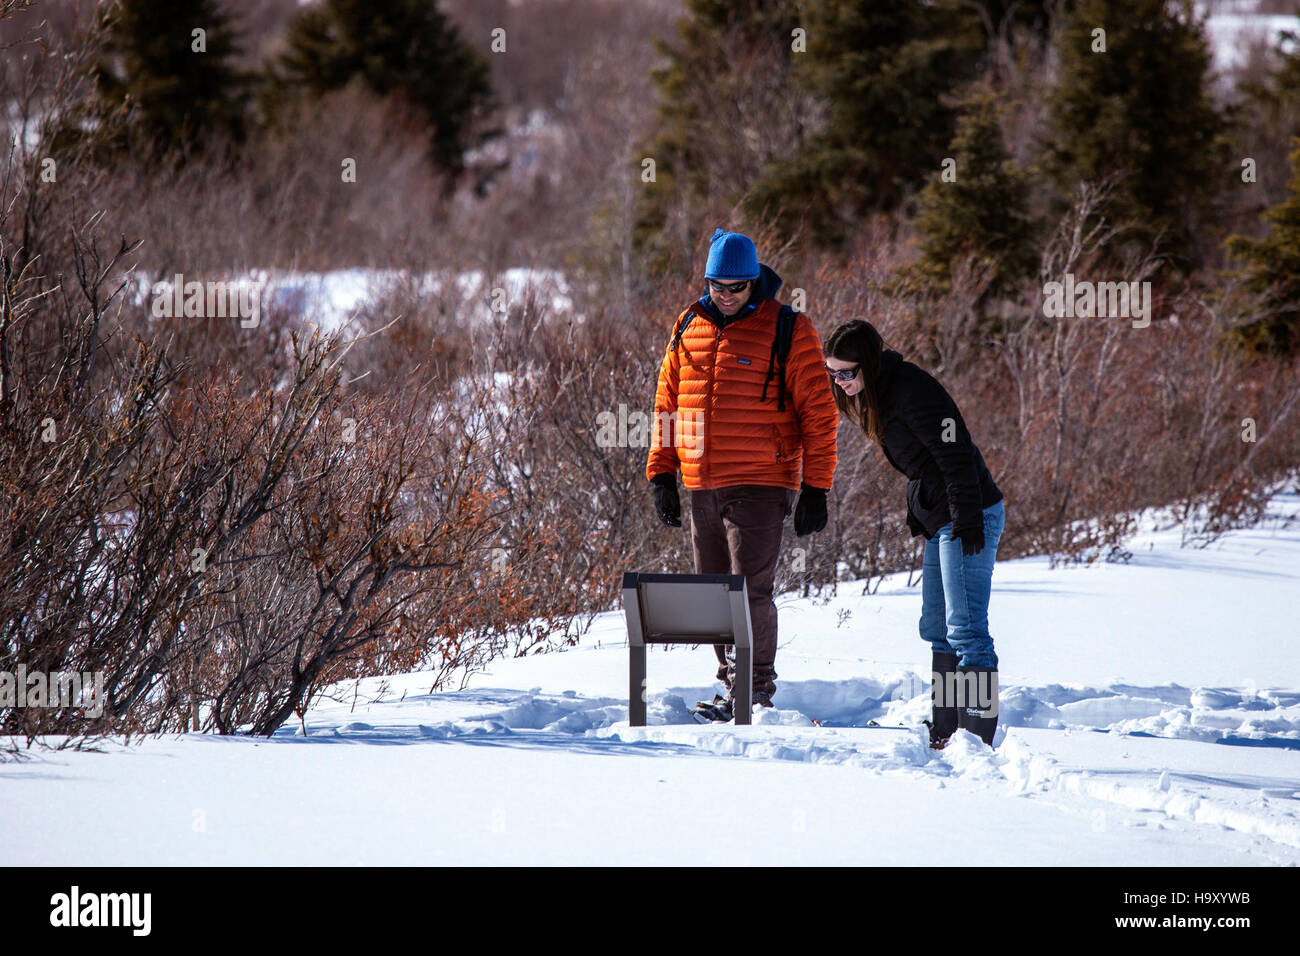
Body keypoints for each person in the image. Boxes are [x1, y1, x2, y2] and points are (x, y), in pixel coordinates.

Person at [646, 229, 838, 716]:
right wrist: (662, 473)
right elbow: (666, 404)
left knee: (748, 591)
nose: (726, 295)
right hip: (701, 483)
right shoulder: (688, 324)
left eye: (737, 286)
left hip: (761, 481)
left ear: (755, 282)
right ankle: (730, 683)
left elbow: (820, 413)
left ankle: (753, 690)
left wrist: (817, 486)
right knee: (711, 594)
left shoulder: (790, 328)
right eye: (717, 285)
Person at [823, 320, 1005, 748]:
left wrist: (965, 520)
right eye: (833, 373)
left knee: (967, 631)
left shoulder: (911, 389)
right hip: (942, 517)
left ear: (867, 364)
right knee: (937, 627)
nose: (840, 382)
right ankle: (946, 730)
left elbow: (955, 449)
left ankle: (975, 740)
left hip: (967, 514)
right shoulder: (879, 392)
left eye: (847, 372)